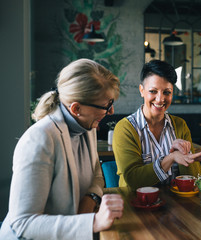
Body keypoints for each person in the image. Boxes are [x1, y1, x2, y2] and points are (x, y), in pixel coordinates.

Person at [0, 59, 124, 239]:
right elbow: (23, 223)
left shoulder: (87, 126)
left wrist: (90, 199)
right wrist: (93, 222)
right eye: (106, 105)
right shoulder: (39, 139)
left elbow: (96, 174)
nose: (111, 111)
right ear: (76, 108)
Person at [113, 60, 201, 190]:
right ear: (141, 90)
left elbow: (194, 179)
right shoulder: (125, 128)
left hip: (174, 204)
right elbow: (133, 180)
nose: (160, 99)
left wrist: (184, 154)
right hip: (135, 204)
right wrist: (171, 158)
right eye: (153, 91)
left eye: (167, 92)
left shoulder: (180, 125)